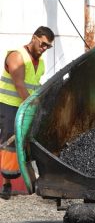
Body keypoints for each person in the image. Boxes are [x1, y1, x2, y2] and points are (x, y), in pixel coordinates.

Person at [0, 26, 54, 199]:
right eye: (43, 44)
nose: (45, 48)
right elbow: (20, 85)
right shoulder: (17, 56)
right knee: (9, 142)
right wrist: (30, 108)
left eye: (48, 47)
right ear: (34, 38)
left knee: (27, 142)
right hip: (9, 106)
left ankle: (27, 177)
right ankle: (7, 184)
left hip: (25, 107)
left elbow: (35, 86)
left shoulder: (41, 63)